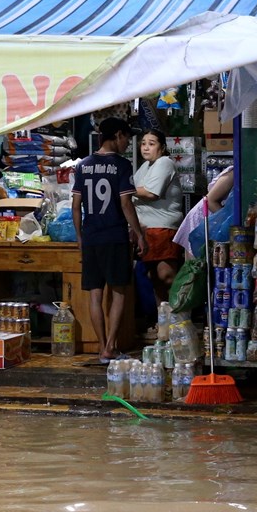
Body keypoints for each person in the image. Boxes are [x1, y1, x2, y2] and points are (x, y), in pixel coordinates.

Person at [72, 117, 148, 363]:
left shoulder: (82, 166)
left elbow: (76, 206)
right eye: (127, 137)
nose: (128, 143)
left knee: (95, 294)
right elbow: (126, 203)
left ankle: (101, 346)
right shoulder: (122, 165)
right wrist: (138, 233)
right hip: (114, 236)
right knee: (119, 293)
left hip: (92, 237)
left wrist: (80, 237)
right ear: (117, 135)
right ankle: (110, 349)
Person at [132, 129, 184, 306]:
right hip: (146, 229)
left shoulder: (164, 162)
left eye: (151, 144)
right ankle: (163, 322)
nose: (146, 147)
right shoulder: (144, 167)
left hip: (163, 227)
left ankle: (179, 319)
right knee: (153, 277)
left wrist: (121, 188)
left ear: (161, 148)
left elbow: (150, 193)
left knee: (166, 276)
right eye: (143, 143)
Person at [173, 165, 234, 258]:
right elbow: (210, 200)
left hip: (217, 222)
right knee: (198, 265)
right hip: (204, 219)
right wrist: (227, 226)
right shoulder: (233, 173)